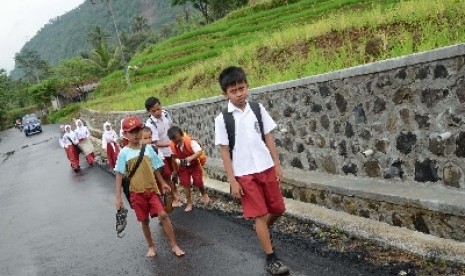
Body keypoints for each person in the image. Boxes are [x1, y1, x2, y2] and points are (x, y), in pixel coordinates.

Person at [214, 66, 289, 275]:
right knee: (260, 214)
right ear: (225, 94)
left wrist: (277, 164)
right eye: (234, 91)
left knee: (278, 208)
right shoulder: (223, 119)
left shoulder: (257, 108)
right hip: (244, 173)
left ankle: (261, 229)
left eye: (242, 88)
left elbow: (268, 137)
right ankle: (271, 258)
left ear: (247, 86)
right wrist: (233, 181)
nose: (239, 94)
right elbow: (224, 152)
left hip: (265, 166)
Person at [114, 116, 185, 258]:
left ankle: (174, 245)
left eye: (137, 130)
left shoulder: (148, 149)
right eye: (131, 131)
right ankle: (151, 246)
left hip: (152, 191)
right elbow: (119, 175)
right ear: (125, 135)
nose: (135, 134)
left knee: (164, 215)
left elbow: (156, 168)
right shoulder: (124, 153)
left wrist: (163, 183)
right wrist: (118, 198)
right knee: (144, 221)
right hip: (136, 193)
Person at [145, 97, 182, 207]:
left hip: (172, 151)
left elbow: (171, 128)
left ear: (161, 106)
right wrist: (171, 144)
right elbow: (155, 142)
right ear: (149, 111)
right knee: (167, 175)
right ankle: (174, 197)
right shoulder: (150, 124)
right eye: (153, 111)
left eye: (158, 109)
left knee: (176, 172)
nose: (157, 112)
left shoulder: (166, 114)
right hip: (161, 154)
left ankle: (175, 193)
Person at [168, 126, 210, 212]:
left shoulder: (190, 142)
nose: (177, 143)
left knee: (198, 182)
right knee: (185, 184)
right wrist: (175, 170)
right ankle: (189, 203)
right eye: (175, 142)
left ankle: (203, 194)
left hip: (194, 165)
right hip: (183, 168)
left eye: (179, 141)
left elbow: (199, 151)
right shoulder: (172, 146)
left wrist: (190, 158)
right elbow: (173, 158)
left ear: (182, 135)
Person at [140, 126, 165, 194]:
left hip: (155, 176)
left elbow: (160, 162)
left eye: (150, 137)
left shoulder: (154, 148)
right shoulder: (137, 151)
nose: (148, 140)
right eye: (145, 138)